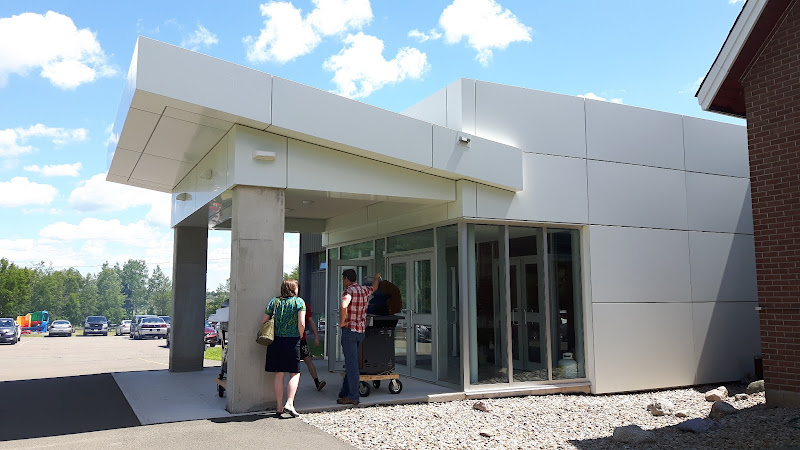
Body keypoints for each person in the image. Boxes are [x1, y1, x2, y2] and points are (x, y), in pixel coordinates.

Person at [262, 279, 306, 418]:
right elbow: (302, 323)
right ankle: (290, 403)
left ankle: (279, 407)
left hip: (275, 341)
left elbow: (264, 321)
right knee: (295, 372)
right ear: (294, 289)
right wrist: (300, 335)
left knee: (279, 373)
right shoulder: (299, 302)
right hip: (292, 340)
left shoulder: (274, 302)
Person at [337, 269, 380, 406]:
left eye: (343, 279)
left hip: (349, 331)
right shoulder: (364, 290)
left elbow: (344, 305)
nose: (343, 281)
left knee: (351, 364)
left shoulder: (349, 291)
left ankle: (353, 396)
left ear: (346, 279)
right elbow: (374, 288)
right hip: (360, 331)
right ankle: (344, 392)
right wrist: (376, 277)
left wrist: (342, 321)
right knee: (352, 361)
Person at [300, 304, 326, 391]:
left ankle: (317, 382)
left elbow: (311, 321)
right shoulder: (300, 304)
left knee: (307, 359)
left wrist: (316, 337)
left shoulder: (303, 305)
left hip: (300, 339)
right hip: (294, 338)